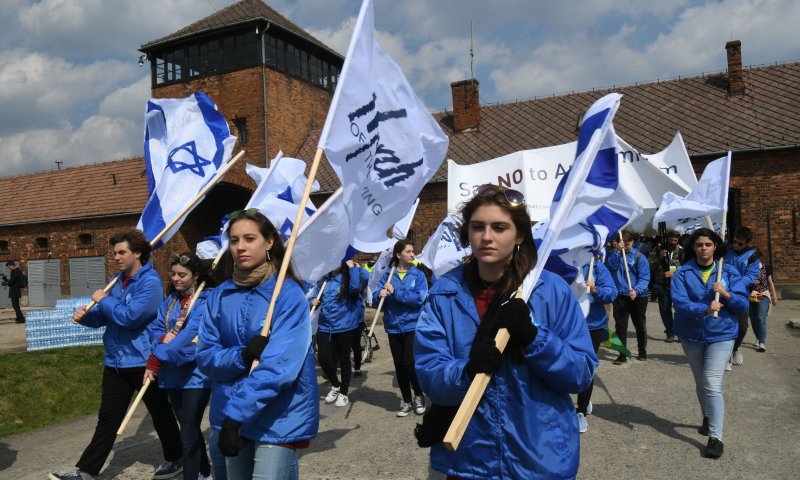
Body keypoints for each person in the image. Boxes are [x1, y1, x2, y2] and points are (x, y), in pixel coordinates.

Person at [413, 184, 597, 479]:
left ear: (520, 234)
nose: (487, 237)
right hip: (470, 461)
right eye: (478, 227)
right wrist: (467, 372)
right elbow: (429, 374)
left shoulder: (551, 291)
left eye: (499, 227)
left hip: (540, 458)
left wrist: (536, 340)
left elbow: (581, 372)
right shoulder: (443, 295)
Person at [50, 229, 182, 480]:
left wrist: (103, 300)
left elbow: (130, 317)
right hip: (116, 361)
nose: (117, 258)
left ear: (138, 253)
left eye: (122, 252)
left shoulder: (150, 283)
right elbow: (105, 317)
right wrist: (87, 316)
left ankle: (176, 458)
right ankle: (86, 472)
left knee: (160, 414)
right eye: (115, 253)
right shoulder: (115, 279)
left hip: (144, 361)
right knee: (108, 418)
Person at [197, 209, 317, 480]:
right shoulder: (219, 295)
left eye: (249, 238)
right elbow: (205, 357)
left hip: (277, 415)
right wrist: (241, 356)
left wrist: (236, 415)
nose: (240, 247)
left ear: (269, 242)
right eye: (234, 240)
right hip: (228, 413)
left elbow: (281, 365)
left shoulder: (288, 295)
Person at [671, 227, 748, 459]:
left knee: (712, 383)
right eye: (698, 245)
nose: (703, 248)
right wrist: (705, 308)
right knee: (700, 381)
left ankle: (715, 437)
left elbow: (743, 307)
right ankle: (707, 415)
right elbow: (680, 304)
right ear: (693, 247)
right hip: (691, 335)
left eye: (708, 244)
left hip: (721, 334)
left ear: (716, 246)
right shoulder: (682, 273)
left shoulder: (730, 272)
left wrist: (725, 294)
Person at [145, 252, 214, 480]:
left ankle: (192, 476)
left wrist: (160, 353)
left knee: (188, 430)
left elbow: (190, 338)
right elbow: (156, 329)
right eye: (173, 274)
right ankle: (205, 472)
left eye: (182, 275)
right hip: (171, 374)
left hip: (195, 375)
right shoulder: (170, 301)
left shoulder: (205, 300)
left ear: (195, 276)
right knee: (189, 428)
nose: (176, 279)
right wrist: (161, 341)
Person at [372, 240, 429, 417]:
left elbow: (418, 299)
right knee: (399, 366)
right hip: (393, 326)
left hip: (412, 325)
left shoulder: (418, 275)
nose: (413, 254)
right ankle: (406, 401)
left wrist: (396, 293)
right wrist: (379, 296)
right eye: (409, 251)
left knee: (409, 363)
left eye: (413, 251)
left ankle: (419, 395)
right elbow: (376, 301)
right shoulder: (387, 275)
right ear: (398, 255)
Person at [311, 259, 367, 407]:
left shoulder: (347, 277)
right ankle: (335, 384)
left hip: (344, 326)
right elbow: (315, 295)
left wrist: (353, 268)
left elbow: (355, 289)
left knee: (344, 360)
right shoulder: (325, 279)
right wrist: (313, 301)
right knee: (322, 358)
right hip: (325, 327)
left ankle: (343, 392)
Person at [576, 255, 617, 433]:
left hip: (592, 325)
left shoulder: (597, 266)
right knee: (565, 364)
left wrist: (595, 290)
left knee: (586, 366)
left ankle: (581, 410)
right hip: (567, 322)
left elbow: (612, 292)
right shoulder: (561, 263)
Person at [606, 230, 651, 363]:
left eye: (627, 243)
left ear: (632, 242)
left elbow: (644, 277)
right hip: (620, 295)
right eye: (621, 243)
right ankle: (622, 354)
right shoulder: (615, 255)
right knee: (620, 326)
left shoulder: (639, 257)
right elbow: (611, 267)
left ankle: (642, 351)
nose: (624, 245)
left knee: (639, 324)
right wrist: (617, 252)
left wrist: (636, 290)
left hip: (638, 296)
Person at [724, 226, 760, 367]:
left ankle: (735, 348)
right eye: (734, 242)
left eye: (740, 243)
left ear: (748, 243)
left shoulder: (753, 255)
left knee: (742, 326)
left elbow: (751, 276)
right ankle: (725, 356)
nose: (736, 245)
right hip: (724, 291)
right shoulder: (727, 250)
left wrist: (736, 285)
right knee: (725, 323)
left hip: (740, 294)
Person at [649, 230, 683, 342]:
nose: (673, 242)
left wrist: (675, 273)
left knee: (679, 309)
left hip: (678, 285)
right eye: (671, 239)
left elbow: (688, 268)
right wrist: (659, 257)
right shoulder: (657, 249)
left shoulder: (682, 251)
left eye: (675, 240)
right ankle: (669, 332)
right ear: (667, 239)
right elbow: (650, 265)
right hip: (662, 284)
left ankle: (680, 333)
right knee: (664, 309)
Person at [748, 250, 778, 352]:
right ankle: (758, 337)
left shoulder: (766, 267)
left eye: (755, 257)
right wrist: (751, 282)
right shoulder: (748, 269)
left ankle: (762, 342)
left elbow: (770, 283)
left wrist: (774, 297)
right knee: (753, 318)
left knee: (760, 318)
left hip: (763, 294)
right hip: (752, 295)